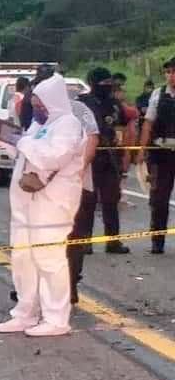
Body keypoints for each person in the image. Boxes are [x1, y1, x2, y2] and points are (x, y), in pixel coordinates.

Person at [0, 74, 85, 337]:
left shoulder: (68, 124)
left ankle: (56, 318)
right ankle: (25, 313)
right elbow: (27, 151)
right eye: (34, 103)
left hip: (51, 206)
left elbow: (52, 156)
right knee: (23, 258)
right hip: (26, 204)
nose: (37, 108)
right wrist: (7, 140)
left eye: (40, 103)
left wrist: (23, 142)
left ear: (52, 101)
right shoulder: (39, 124)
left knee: (49, 259)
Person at [76, 67, 130, 254]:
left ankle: (113, 241)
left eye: (110, 83)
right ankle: (85, 241)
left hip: (110, 157)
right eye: (104, 83)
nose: (107, 87)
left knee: (111, 200)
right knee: (87, 202)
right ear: (93, 84)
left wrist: (124, 154)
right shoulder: (82, 103)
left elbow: (122, 127)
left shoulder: (115, 104)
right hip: (90, 158)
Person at [136, 57, 175, 254]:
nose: (171, 76)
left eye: (174, 72)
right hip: (161, 154)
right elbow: (148, 124)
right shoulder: (158, 95)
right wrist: (141, 150)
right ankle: (157, 241)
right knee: (159, 199)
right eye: (168, 72)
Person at [67, 94, 102, 304]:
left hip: (77, 186)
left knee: (74, 237)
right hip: (46, 191)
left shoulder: (79, 110)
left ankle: (70, 284)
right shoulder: (40, 114)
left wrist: (80, 167)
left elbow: (93, 137)